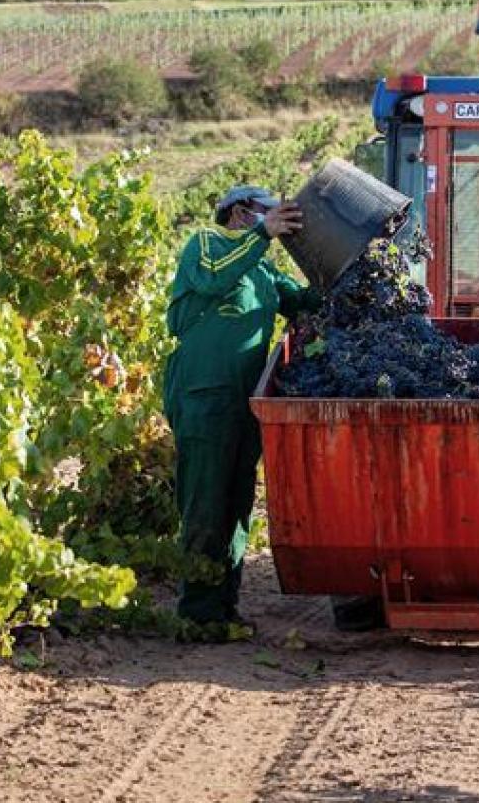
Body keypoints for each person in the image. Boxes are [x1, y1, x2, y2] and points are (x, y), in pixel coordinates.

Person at [164, 185, 318, 640]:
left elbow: (306, 303)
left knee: (236, 505)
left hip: (243, 404)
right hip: (203, 397)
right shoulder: (207, 246)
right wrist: (262, 236)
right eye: (266, 213)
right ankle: (196, 612)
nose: (274, 221)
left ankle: (223, 607)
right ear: (239, 211)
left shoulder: (265, 274)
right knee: (204, 502)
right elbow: (212, 277)